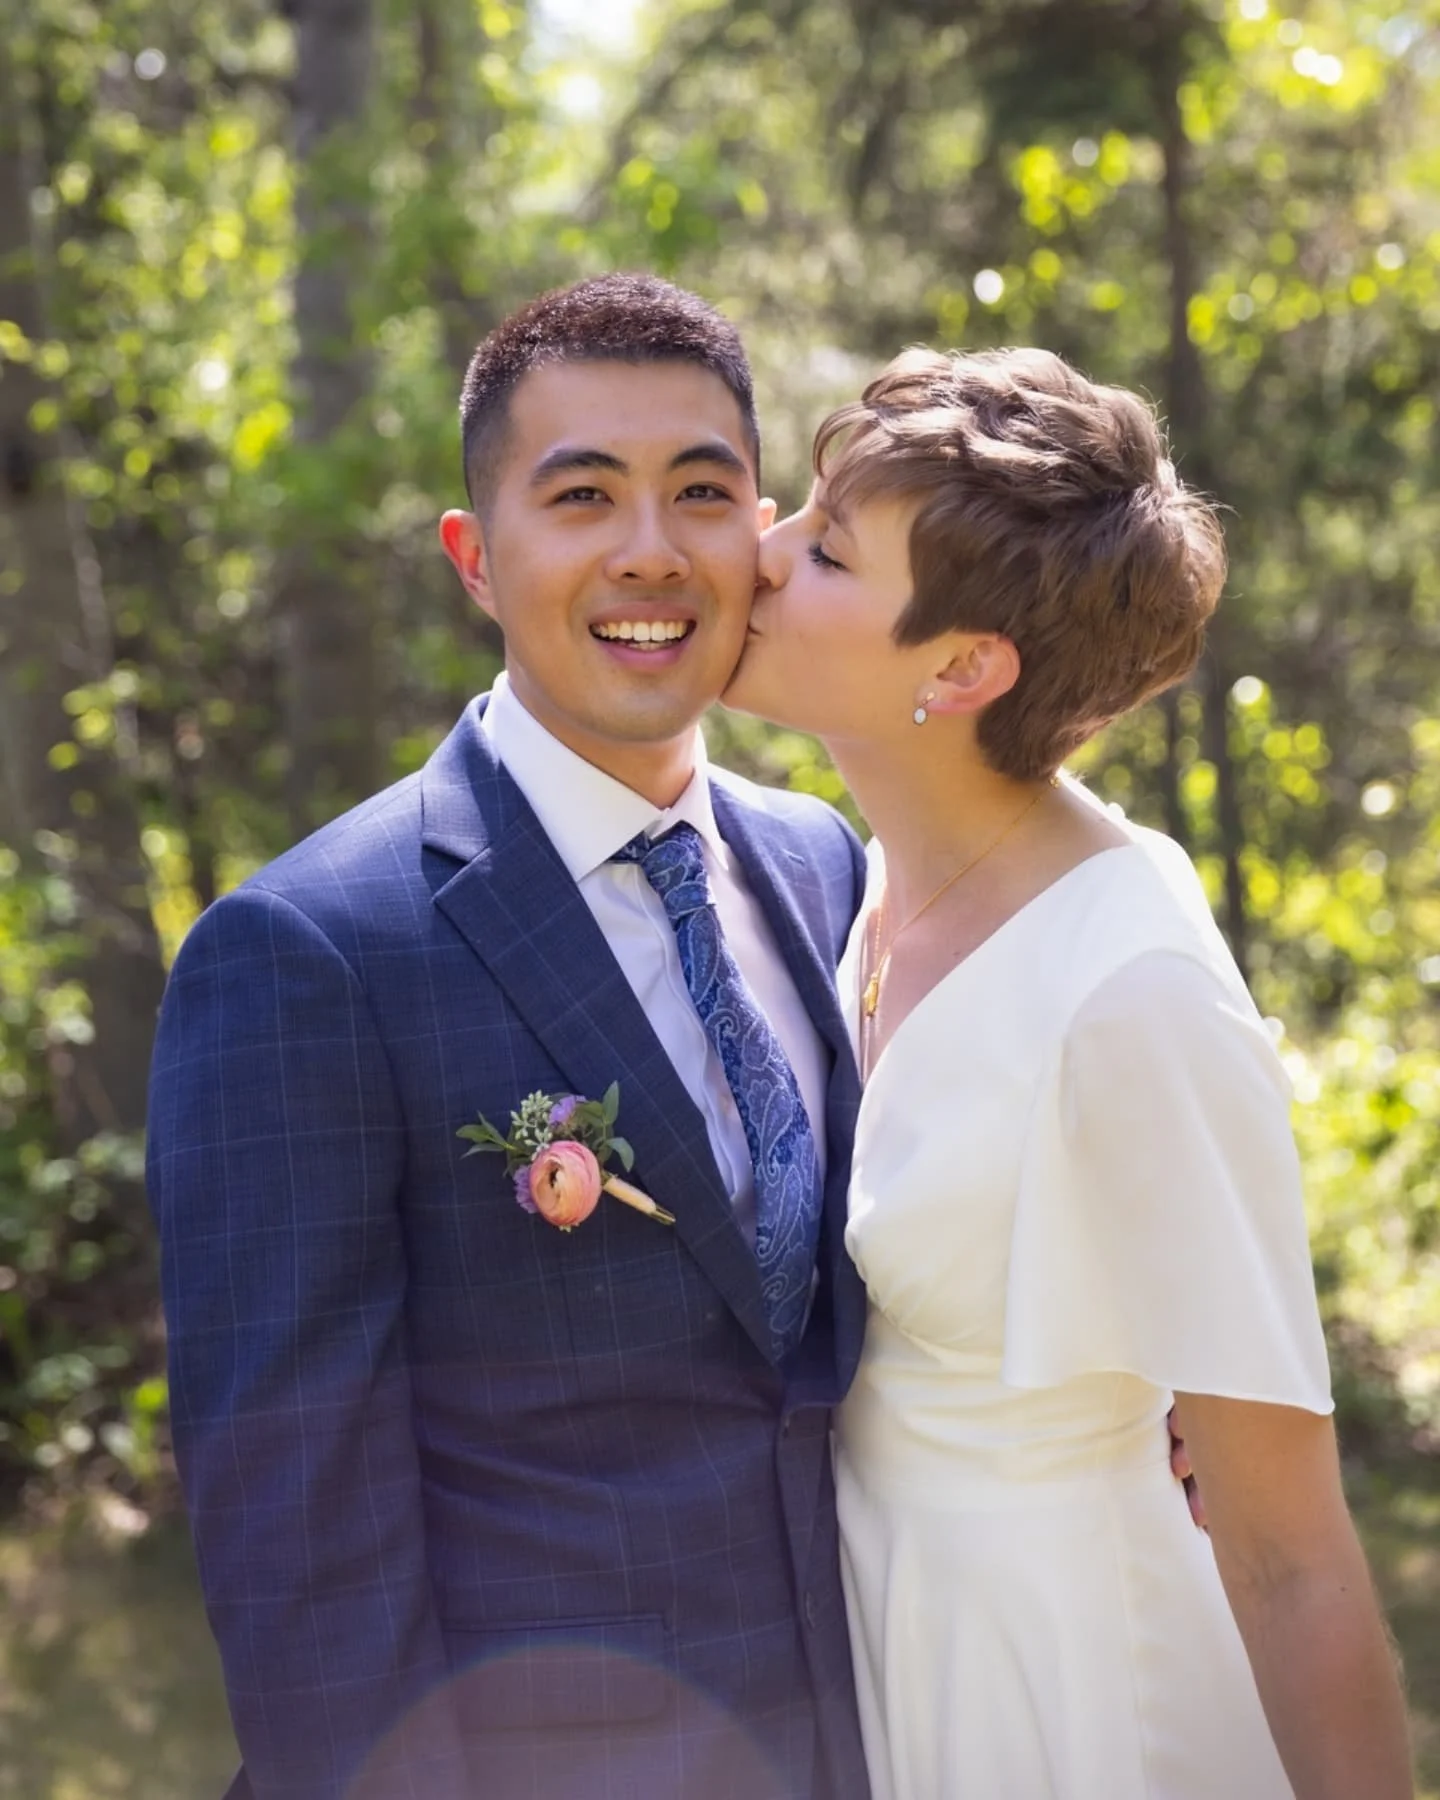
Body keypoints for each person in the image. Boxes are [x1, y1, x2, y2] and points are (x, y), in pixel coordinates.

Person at [145, 274, 872, 1800]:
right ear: (478, 560)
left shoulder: (830, 868)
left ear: (762, 531)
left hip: (866, 1728)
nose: (651, 551)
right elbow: (300, 1547)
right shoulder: (308, 953)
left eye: (701, 491)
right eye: (583, 496)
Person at [724, 345, 1413, 1800]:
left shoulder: (1128, 994)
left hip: (1073, 1695)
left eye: (827, 551)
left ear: (965, 667)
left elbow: (1290, 1550)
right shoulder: (854, 890)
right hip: (885, 1654)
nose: (761, 555)